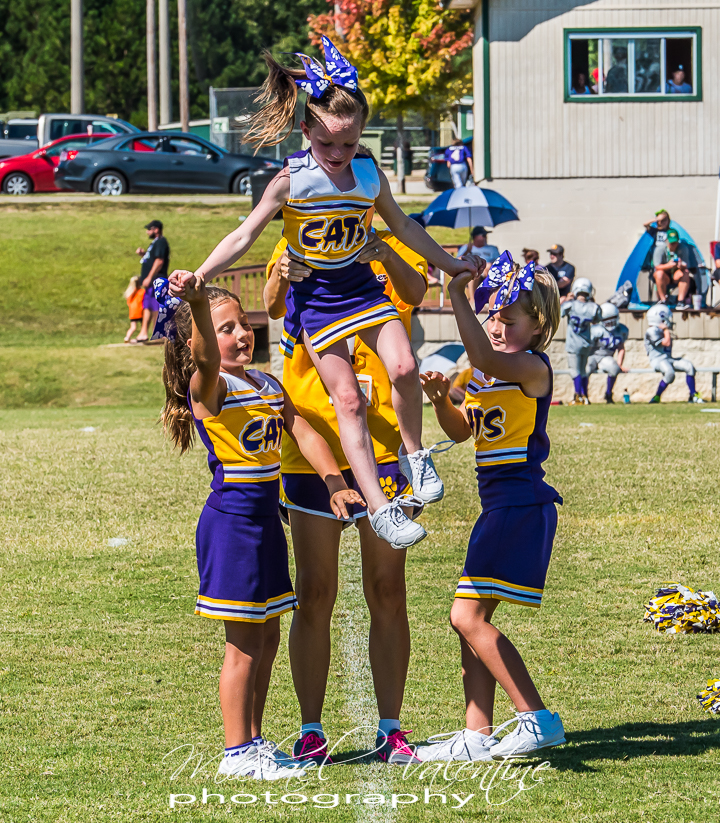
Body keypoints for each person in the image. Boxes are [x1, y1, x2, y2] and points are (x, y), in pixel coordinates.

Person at [181, 37, 478, 550]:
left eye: (350, 142)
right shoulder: (290, 181)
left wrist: (452, 264)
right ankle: (380, 509)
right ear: (306, 133)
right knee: (348, 400)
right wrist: (201, 273)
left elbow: (404, 226)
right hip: (316, 299)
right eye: (327, 145)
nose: (339, 155)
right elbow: (244, 235)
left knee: (404, 366)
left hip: (360, 286)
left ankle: (414, 455)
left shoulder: (368, 174)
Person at [160, 278, 364, 779]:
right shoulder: (209, 385)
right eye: (225, 328)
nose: (241, 334)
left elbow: (303, 432)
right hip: (232, 526)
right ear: (198, 338)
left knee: (268, 636)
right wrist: (196, 304)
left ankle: (252, 741)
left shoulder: (267, 383)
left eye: (244, 324)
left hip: (267, 523)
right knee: (244, 644)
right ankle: (236, 752)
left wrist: (335, 483)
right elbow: (206, 359)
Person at [264, 230, 429, 767]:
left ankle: (391, 728)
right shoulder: (299, 232)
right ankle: (311, 730)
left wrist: (383, 252)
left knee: (388, 589)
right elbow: (272, 306)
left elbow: (415, 293)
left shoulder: (390, 239)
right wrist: (281, 275)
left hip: (383, 451)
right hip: (313, 453)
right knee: (314, 593)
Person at [417, 252, 565, 762]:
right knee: (469, 620)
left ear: (538, 325)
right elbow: (463, 430)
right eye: (493, 318)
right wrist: (441, 401)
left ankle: (537, 719)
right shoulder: (486, 372)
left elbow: (481, 355)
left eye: (508, 320)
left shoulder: (531, 367)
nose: (497, 328)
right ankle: (476, 734)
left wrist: (456, 294)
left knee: (466, 616)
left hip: (519, 504)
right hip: (498, 506)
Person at [645, 303, 703, 403]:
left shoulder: (661, 330)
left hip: (668, 358)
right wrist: (665, 329)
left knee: (689, 366)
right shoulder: (651, 331)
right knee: (669, 373)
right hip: (657, 360)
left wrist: (665, 330)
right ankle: (656, 396)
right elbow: (666, 343)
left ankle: (693, 395)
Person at [561, 278, 602, 404]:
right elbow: (597, 320)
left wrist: (567, 300)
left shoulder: (570, 305)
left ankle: (578, 395)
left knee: (575, 370)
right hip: (586, 342)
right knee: (583, 371)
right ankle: (585, 396)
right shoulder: (594, 307)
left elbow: (560, 312)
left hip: (573, 343)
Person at [135, 219, 170, 343]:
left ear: (156, 230)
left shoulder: (161, 242)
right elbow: (154, 258)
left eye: (149, 229)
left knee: (156, 307)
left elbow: (159, 261)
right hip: (152, 282)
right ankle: (144, 333)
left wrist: (149, 277)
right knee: (147, 306)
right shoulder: (155, 243)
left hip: (156, 280)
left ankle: (160, 334)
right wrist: (144, 254)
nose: (147, 232)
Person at [587, 303, 629, 403]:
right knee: (586, 369)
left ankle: (608, 394)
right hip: (592, 355)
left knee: (614, 368)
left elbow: (621, 348)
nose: (610, 322)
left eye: (613, 318)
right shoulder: (595, 330)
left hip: (606, 356)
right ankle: (583, 395)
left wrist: (619, 364)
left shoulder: (621, 330)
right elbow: (587, 348)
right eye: (607, 319)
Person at [653, 228, 694, 307]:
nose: (673, 245)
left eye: (675, 243)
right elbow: (657, 266)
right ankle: (663, 300)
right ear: (667, 241)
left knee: (685, 272)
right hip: (665, 276)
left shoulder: (683, 248)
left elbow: (686, 265)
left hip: (676, 274)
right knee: (659, 274)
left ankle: (680, 301)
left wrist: (680, 266)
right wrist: (668, 265)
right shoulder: (660, 249)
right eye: (671, 243)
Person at [123, 275, 145, 343]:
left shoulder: (130, 292)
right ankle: (141, 336)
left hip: (132, 313)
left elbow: (128, 303)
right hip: (140, 311)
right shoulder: (142, 291)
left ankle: (127, 337)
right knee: (143, 326)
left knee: (133, 327)